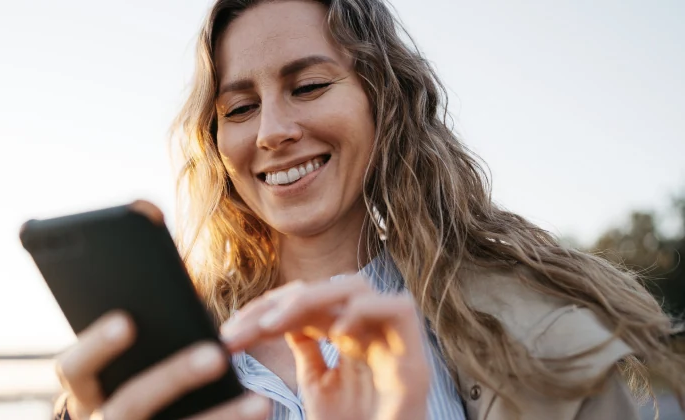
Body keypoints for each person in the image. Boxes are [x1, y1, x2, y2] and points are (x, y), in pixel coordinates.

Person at [52, 0, 685, 419]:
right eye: (239, 108)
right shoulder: (168, 355)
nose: (272, 130)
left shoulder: (531, 324)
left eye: (308, 86)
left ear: (383, 99)